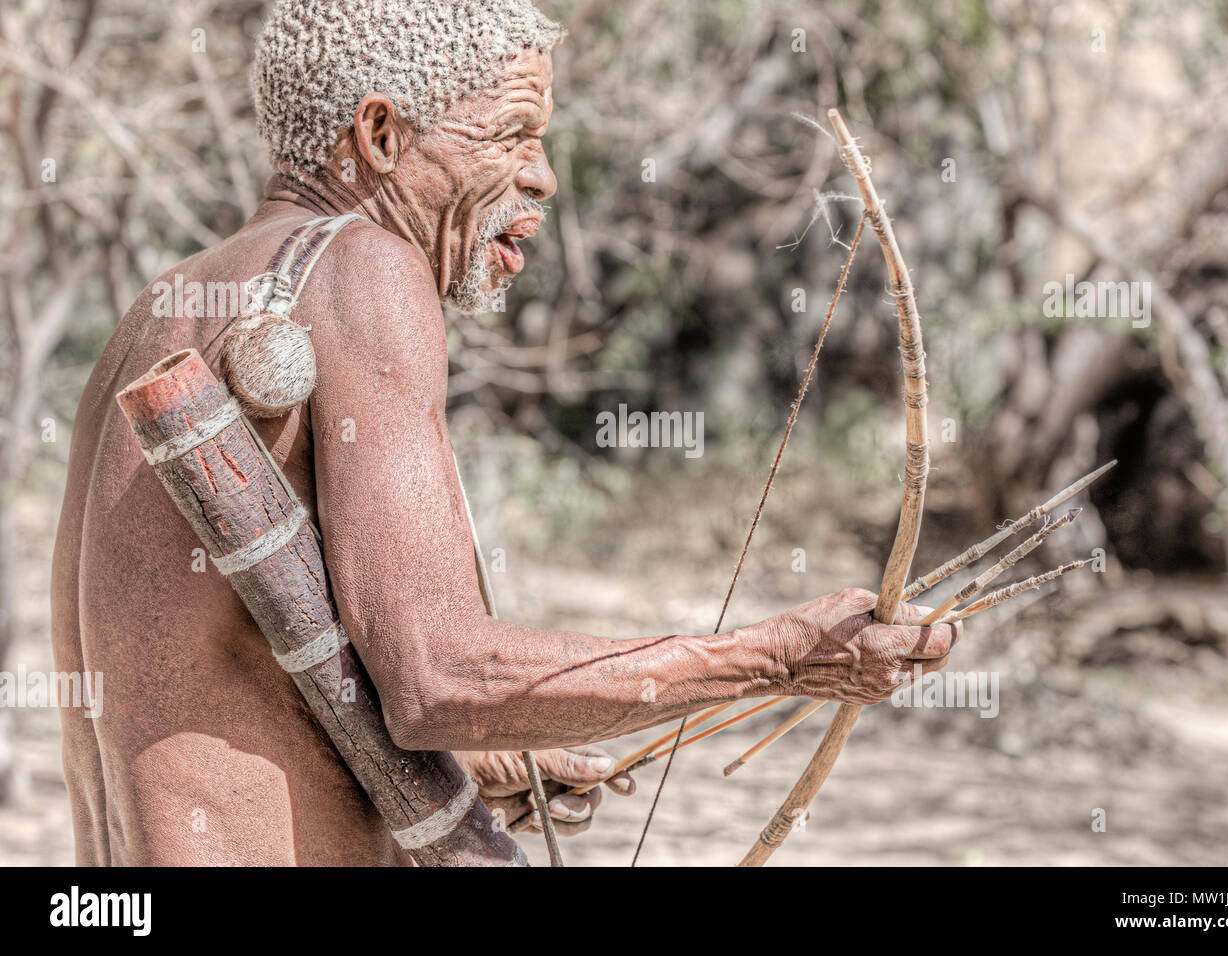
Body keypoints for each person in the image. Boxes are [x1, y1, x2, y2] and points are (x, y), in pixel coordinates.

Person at [51, 0, 959, 865]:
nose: (543, 174)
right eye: (511, 134)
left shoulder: (159, 311)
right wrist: (780, 656)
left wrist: (460, 768)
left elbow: (237, 665)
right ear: (379, 136)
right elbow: (438, 677)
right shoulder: (363, 267)